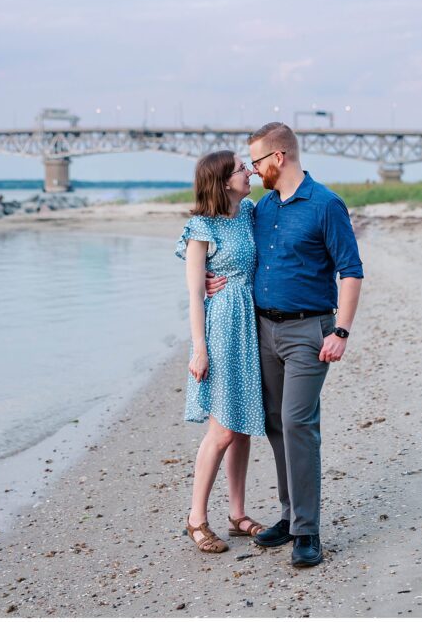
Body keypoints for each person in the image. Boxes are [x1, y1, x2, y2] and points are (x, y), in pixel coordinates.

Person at [206, 122, 363, 567]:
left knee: (298, 421)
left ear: (279, 158)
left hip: (308, 332)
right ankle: (290, 516)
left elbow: (350, 271)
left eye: (256, 161)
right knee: (275, 422)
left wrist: (341, 332)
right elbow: (224, 242)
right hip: (262, 329)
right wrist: (203, 275)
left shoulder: (326, 205)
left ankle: (308, 531)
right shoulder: (262, 208)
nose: (252, 172)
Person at [175, 150, 267, 554]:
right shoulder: (201, 227)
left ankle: (237, 514)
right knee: (223, 429)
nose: (248, 172)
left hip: (252, 321)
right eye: (241, 169)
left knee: (243, 425)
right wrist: (200, 349)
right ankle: (196, 518)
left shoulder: (249, 212)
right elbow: (195, 293)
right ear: (222, 180)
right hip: (221, 327)